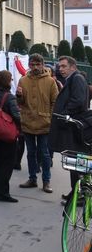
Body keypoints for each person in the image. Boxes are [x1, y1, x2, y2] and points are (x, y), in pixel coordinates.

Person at [49, 56, 90, 202]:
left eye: (63, 66)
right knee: (74, 161)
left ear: (72, 67)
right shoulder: (73, 79)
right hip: (73, 125)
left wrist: (64, 113)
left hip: (75, 126)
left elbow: (78, 100)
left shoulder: (77, 78)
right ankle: (75, 192)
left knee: (76, 162)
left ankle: (79, 194)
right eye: (59, 67)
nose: (60, 69)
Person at [16, 54, 58, 194]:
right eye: (32, 64)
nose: (34, 67)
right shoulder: (23, 80)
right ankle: (32, 179)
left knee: (44, 154)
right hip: (27, 122)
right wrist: (19, 96)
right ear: (29, 65)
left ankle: (46, 181)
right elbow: (20, 103)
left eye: (37, 64)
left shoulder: (50, 81)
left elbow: (55, 103)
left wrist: (50, 118)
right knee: (30, 153)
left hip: (44, 123)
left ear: (42, 64)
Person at [0, 70, 21, 203]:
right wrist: (21, 128)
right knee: (7, 163)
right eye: (11, 79)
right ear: (7, 81)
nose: (12, 81)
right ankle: (4, 193)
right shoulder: (10, 97)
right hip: (7, 135)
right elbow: (16, 115)